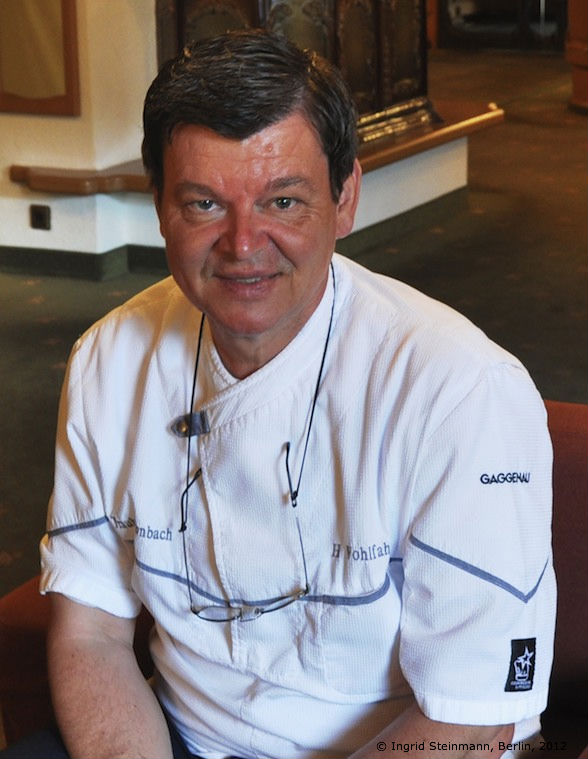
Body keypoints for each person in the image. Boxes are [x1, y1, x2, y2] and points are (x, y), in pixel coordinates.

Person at [33, 29, 555, 759]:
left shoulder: (459, 391)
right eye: (204, 204)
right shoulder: (108, 360)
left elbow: (472, 719)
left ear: (345, 200)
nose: (243, 245)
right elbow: (89, 630)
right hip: (185, 739)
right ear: (159, 207)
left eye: (283, 200)